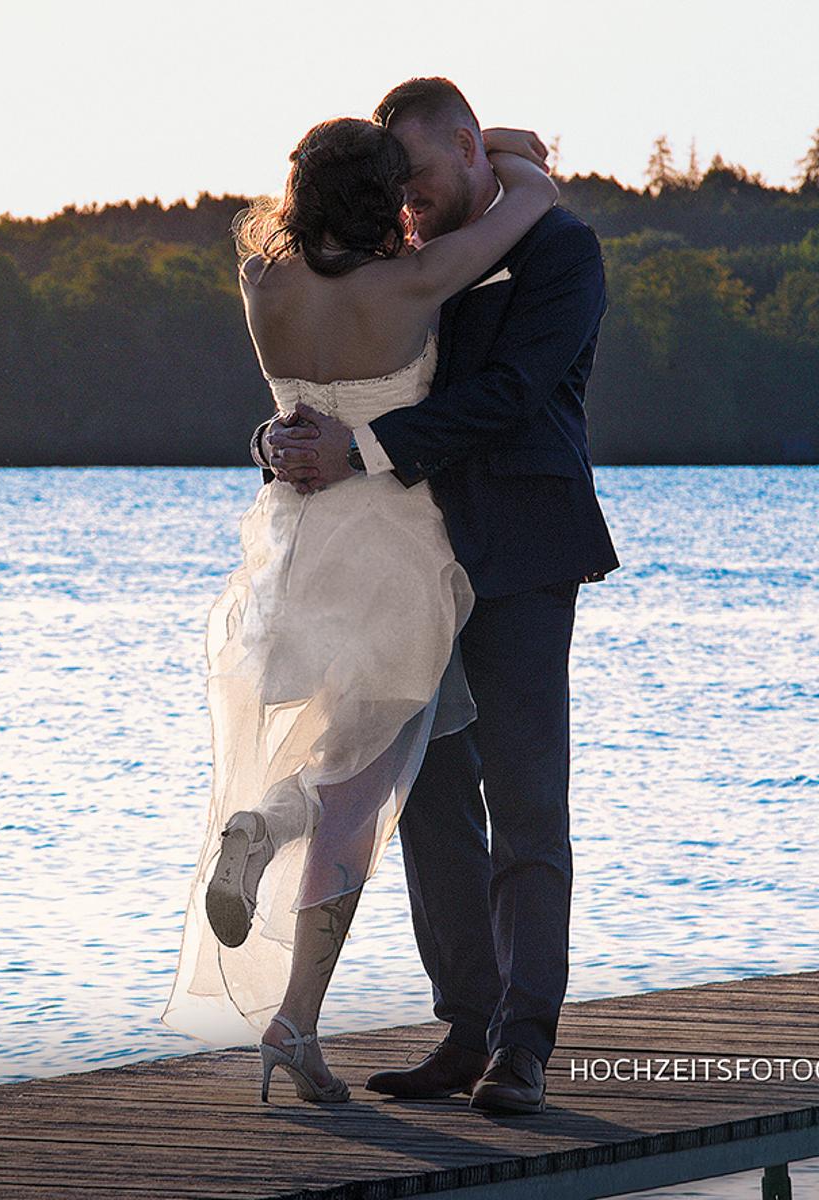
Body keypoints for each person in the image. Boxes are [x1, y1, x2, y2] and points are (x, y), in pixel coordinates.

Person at [159, 111, 560, 1105]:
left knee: (355, 770)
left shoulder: (263, 284)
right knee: (358, 801)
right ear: (385, 197)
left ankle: (265, 850)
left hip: (298, 553)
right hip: (394, 559)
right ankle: (292, 1014)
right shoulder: (413, 282)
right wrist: (492, 148)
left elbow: (300, 411)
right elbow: (536, 200)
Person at [262, 78, 620, 1115]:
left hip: (518, 554)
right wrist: (279, 442)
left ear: (469, 150)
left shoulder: (559, 252)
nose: (405, 208)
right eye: (393, 191)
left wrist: (359, 448)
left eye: (417, 181)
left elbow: (508, 398)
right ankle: (462, 1028)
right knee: (426, 804)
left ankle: (524, 1045)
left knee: (525, 800)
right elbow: (335, 385)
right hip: (406, 566)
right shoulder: (403, 260)